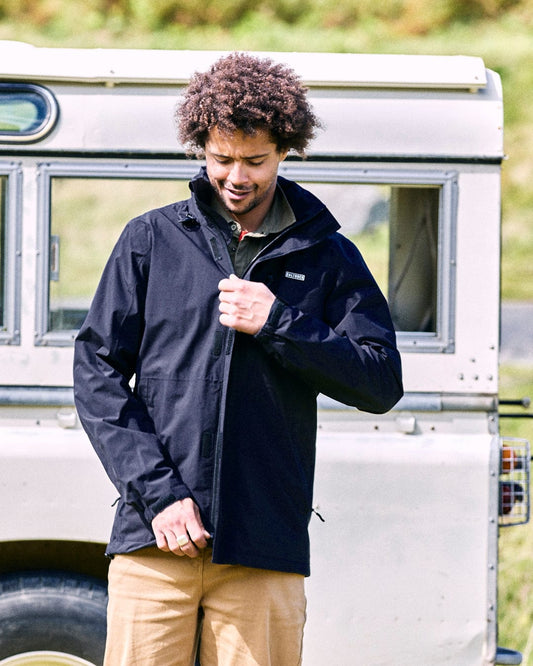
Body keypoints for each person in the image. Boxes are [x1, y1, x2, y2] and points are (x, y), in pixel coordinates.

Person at [73, 52, 403, 666]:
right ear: (201, 147)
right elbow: (96, 373)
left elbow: (380, 380)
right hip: (156, 538)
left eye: (255, 160)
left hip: (264, 545)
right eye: (222, 158)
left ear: (285, 151)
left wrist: (279, 322)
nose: (237, 176)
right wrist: (158, 494)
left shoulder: (328, 255)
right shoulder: (150, 239)